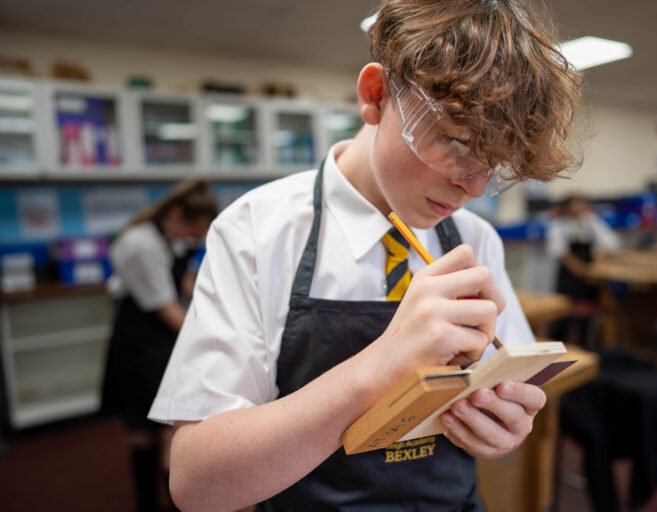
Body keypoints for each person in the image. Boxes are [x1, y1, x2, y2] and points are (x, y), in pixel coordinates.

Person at [149, 1, 582, 510]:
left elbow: (509, 383)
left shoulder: (473, 238)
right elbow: (196, 483)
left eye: (496, 165)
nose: (472, 187)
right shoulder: (257, 231)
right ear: (375, 96)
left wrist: (504, 425)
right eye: (458, 143)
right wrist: (384, 362)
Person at [101, 179, 219, 512]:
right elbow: (166, 307)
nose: (193, 238)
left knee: (169, 423)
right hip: (140, 340)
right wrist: (212, 334)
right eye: (193, 230)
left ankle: (174, 499)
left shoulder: (169, 237)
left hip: (163, 337)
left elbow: (184, 282)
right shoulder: (140, 244)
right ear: (177, 214)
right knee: (143, 428)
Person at [546, 194, 619, 345]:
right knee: (563, 317)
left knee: (587, 319)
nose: (579, 209)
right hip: (568, 279)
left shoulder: (591, 222)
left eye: (582, 205)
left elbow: (611, 243)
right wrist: (581, 270)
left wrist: (596, 264)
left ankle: (586, 351)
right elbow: (559, 252)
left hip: (589, 281)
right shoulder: (559, 225)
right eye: (575, 205)